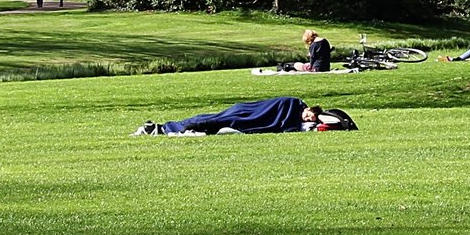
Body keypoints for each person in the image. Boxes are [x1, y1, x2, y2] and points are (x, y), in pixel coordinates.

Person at [133, 96, 352, 135]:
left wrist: (319, 121)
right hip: (244, 113)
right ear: (308, 109)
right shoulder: (292, 104)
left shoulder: (297, 113)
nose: (305, 119)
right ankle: (166, 127)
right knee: (214, 120)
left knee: (213, 121)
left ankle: (164, 127)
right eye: (307, 116)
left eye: (308, 120)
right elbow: (280, 119)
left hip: (243, 114)